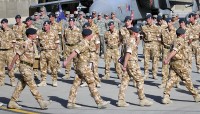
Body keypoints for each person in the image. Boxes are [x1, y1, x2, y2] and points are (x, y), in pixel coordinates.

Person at [63, 29, 110, 109]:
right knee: (91, 82)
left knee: (76, 83)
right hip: (83, 66)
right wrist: (67, 61)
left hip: (80, 66)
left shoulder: (84, 42)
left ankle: (70, 102)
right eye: (91, 34)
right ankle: (99, 102)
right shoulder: (83, 43)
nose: (92, 36)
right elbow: (75, 52)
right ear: (88, 35)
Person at [7, 28, 51, 109]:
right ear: (30, 35)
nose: (36, 35)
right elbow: (17, 55)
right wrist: (11, 66)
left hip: (29, 67)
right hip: (24, 67)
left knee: (20, 85)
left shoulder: (32, 43)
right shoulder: (25, 44)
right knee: (32, 84)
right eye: (34, 34)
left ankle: (12, 102)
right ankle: (41, 102)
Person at [162, 28, 200, 104]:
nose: (185, 35)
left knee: (172, 79)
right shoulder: (180, 41)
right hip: (179, 63)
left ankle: (166, 96)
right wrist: (167, 59)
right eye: (184, 34)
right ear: (182, 34)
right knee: (186, 79)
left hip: (173, 62)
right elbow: (174, 51)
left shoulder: (175, 40)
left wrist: (168, 59)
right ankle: (196, 95)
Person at [117, 26, 153, 107]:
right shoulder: (131, 41)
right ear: (134, 33)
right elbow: (128, 53)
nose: (138, 34)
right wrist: (124, 65)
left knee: (125, 81)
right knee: (139, 79)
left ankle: (121, 100)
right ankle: (142, 99)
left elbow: (135, 45)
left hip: (130, 62)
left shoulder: (130, 39)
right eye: (137, 33)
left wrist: (138, 38)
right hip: (132, 63)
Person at [37, 21, 59, 87]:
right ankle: (43, 81)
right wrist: (40, 47)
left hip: (51, 52)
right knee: (43, 67)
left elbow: (57, 43)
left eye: (46, 25)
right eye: (44, 25)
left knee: (53, 67)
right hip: (43, 52)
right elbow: (37, 41)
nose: (45, 26)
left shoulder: (54, 33)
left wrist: (52, 48)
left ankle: (54, 80)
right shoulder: (41, 33)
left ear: (49, 25)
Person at [80, 22, 101, 88]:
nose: (86, 28)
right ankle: (85, 81)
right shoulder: (83, 36)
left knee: (94, 68)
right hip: (86, 53)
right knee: (86, 68)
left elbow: (97, 44)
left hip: (93, 53)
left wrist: (95, 50)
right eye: (85, 27)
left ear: (89, 27)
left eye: (87, 27)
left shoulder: (94, 35)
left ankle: (97, 82)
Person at [158, 18, 176, 89]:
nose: (169, 23)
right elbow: (160, 40)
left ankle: (174, 82)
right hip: (165, 49)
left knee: (173, 66)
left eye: (170, 22)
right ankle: (163, 82)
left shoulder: (175, 31)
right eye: (168, 22)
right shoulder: (163, 30)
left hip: (173, 50)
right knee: (164, 66)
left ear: (172, 22)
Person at [141, 14, 160, 79]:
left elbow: (158, 37)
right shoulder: (143, 27)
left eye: (149, 19)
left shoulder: (156, 27)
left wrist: (157, 46)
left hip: (154, 44)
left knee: (155, 60)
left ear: (151, 19)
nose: (147, 20)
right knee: (146, 60)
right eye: (147, 19)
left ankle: (154, 74)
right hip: (146, 44)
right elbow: (142, 36)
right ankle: (146, 74)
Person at [0, 18, 16, 87]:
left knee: (10, 67)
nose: (2, 25)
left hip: (9, 51)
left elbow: (14, 41)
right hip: (1, 51)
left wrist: (13, 51)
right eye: (1, 23)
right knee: (1, 67)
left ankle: (12, 80)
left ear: (6, 23)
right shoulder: (0, 31)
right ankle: (1, 81)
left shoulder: (10, 31)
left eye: (3, 23)